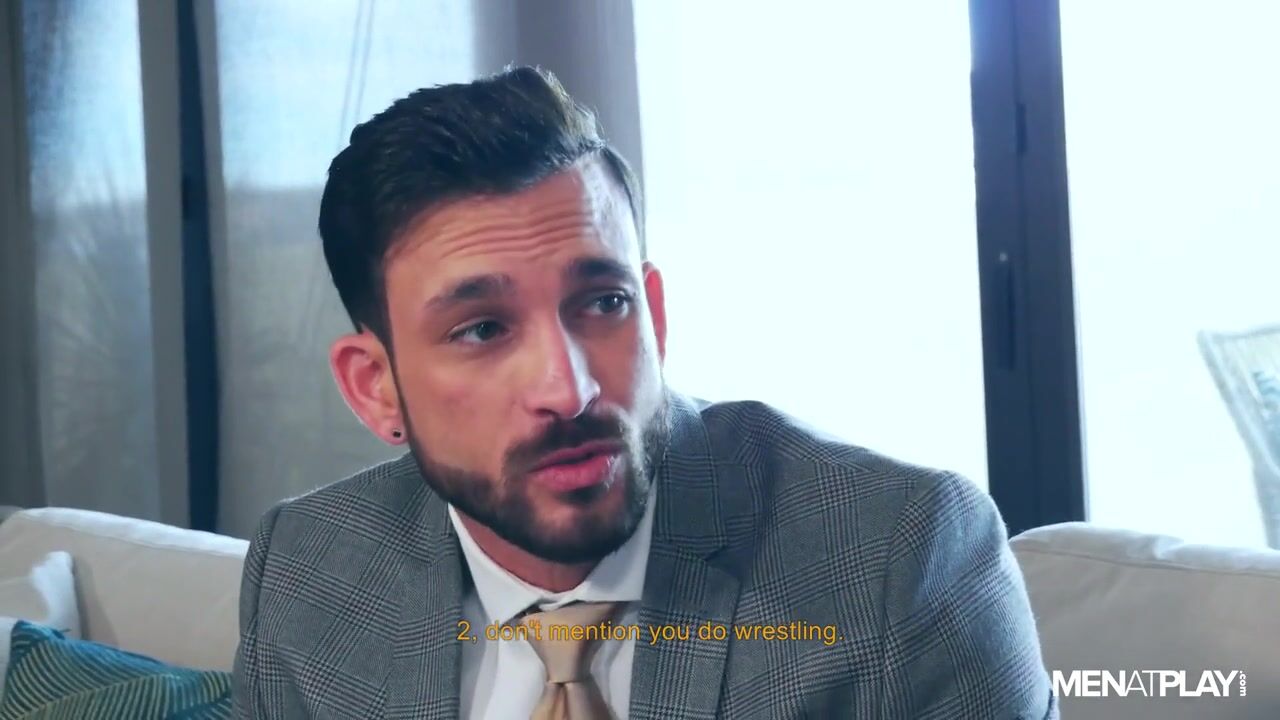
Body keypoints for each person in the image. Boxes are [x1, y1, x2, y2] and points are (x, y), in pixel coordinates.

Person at [231, 66, 1056, 720]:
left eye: (603, 303)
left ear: (654, 314)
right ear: (375, 388)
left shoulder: (902, 558)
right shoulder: (307, 574)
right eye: (482, 329)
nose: (569, 389)